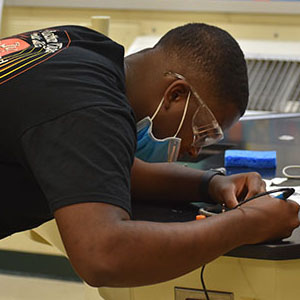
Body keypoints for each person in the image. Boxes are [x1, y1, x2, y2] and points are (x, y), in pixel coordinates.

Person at [0, 23, 299, 288]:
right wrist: (246, 225)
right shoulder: (90, 108)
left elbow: (98, 167)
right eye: (202, 131)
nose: (195, 149)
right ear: (175, 95)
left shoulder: (83, 50)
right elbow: (104, 256)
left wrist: (211, 184)